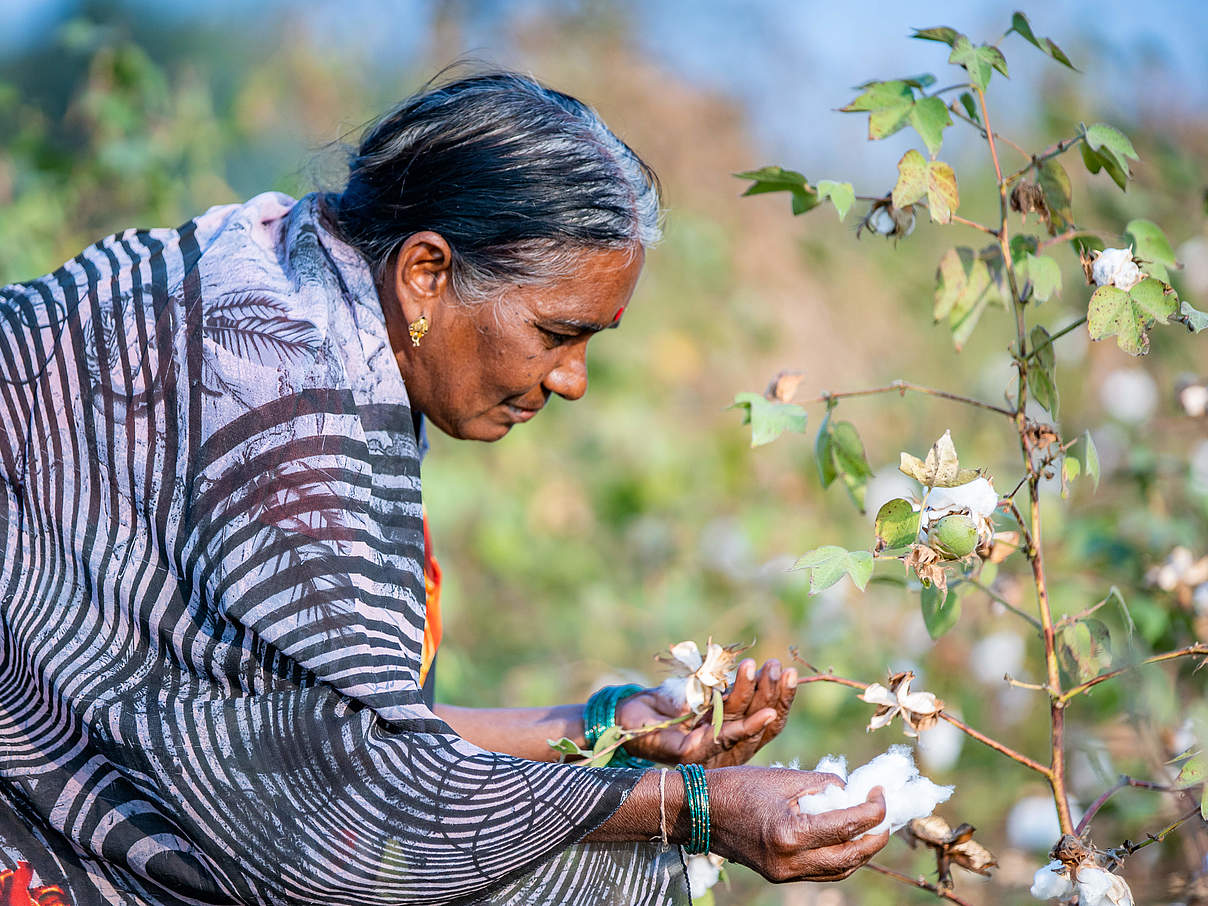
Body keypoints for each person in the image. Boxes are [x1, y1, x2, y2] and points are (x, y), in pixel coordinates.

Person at [0, 72, 888, 906]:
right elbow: (351, 798)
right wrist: (691, 807)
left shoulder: (289, 263)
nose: (573, 379)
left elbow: (336, 725)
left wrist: (609, 727)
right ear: (426, 273)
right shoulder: (290, 401)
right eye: (556, 332)